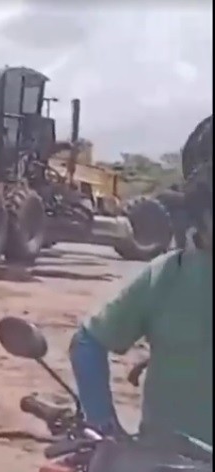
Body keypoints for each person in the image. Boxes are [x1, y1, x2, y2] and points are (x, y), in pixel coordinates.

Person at [68, 116, 212, 449]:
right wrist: (104, 428)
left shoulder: (167, 276)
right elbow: (87, 342)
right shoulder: (165, 277)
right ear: (200, 213)